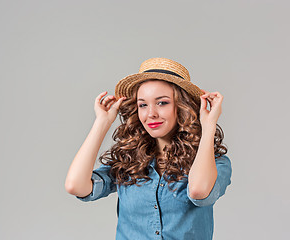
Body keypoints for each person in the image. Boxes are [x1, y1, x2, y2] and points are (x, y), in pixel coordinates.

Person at [65, 57, 232, 240]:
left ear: (181, 106)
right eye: (143, 105)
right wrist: (102, 123)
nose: (151, 113)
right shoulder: (129, 160)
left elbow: (199, 192)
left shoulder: (216, 163)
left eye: (162, 102)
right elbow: (76, 186)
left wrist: (208, 126)